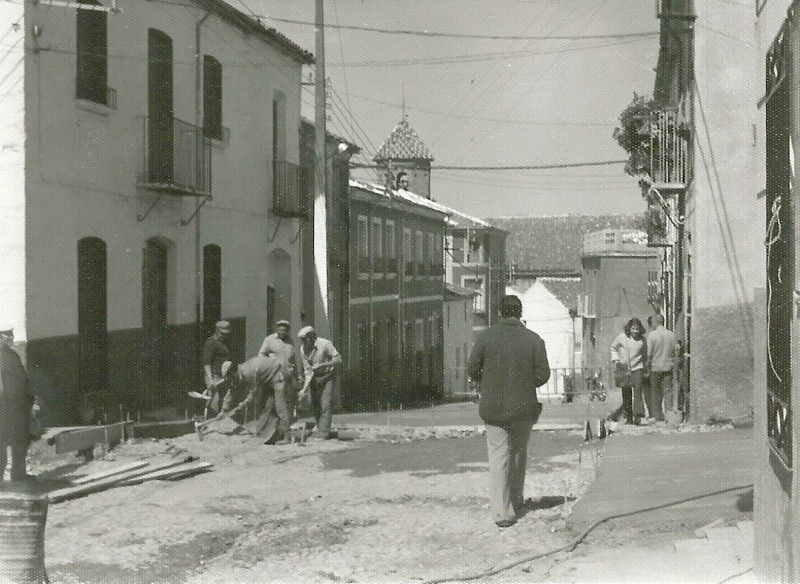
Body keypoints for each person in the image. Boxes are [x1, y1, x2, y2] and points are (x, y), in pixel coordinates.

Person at [467, 295, 550, 528]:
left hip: (493, 406)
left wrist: (489, 382)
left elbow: (472, 368)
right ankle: (516, 500)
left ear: (500, 312)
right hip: (524, 406)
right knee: (518, 454)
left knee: (498, 457)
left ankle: (502, 512)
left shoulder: (486, 337)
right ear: (520, 312)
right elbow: (543, 374)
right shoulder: (534, 339)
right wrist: (524, 383)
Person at [217, 354, 290, 443]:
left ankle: (287, 435)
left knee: (280, 406)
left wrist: (244, 403)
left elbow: (254, 392)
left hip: (277, 372)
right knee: (265, 406)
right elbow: (231, 391)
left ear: (233, 372)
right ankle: (261, 432)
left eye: (230, 377)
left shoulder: (247, 372)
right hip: (265, 379)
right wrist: (223, 411)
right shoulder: (238, 374)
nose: (230, 380)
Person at [0, 325, 35, 482]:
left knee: (20, 440)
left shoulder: (13, 355)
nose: (11, 338)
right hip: (3, 407)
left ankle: (19, 475)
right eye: (7, 335)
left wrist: (30, 399)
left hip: (19, 406)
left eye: (12, 335)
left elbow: (22, 378)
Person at [297, 326, 342, 440]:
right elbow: (307, 371)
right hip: (314, 378)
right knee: (314, 403)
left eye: (304, 339)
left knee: (325, 404)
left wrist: (323, 365)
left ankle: (324, 433)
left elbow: (338, 359)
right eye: (301, 340)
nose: (303, 342)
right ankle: (321, 427)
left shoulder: (325, 344)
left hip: (327, 377)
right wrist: (304, 389)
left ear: (311, 337)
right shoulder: (302, 350)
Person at [610, 318, 648, 425]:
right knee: (626, 392)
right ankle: (629, 417)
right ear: (629, 328)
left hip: (637, 368)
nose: (635, 331)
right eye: (633, 329)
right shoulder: (622, 337)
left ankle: (638, 416)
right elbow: (613, 347)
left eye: (637, 329)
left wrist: (645, 368)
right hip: (624, 368)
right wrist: (616, 359)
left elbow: (645, 355)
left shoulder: (642, 340)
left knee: (638, 390)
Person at [258, 320, 296, 424]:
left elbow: (293, 360)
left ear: (288, 330)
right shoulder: (269, 340)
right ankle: (280, 428)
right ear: (277, 329)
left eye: (285, 330)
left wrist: (296, 375)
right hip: (273, 377)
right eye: (280, 329)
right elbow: (261, 355)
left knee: (286, 403)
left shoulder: (290, 342)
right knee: (275, 403)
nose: (282, 332)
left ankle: (278, 426)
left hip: (287, 377)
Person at [647, 313, 677, 421]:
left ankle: (657, 416)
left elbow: (649, 353)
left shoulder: (652, 335)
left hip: (655, 367)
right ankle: (668, 414)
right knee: (668, 391)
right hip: (668, 366)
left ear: (656, 322)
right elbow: (674, 350)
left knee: (655, 392)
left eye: (652, 322)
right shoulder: (671, 334)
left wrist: (647, 366)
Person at [202, 321, 230, 416]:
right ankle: (209, 424)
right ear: (217, 331)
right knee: (214, 401)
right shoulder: (210, 343)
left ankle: (218, 426)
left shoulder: (224, 343)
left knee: (223, 401)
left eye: (226, 334)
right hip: (214, 376)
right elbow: (207, 363)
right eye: (222, 333)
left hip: (223, 377)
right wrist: (210, 379)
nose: (224, 336)